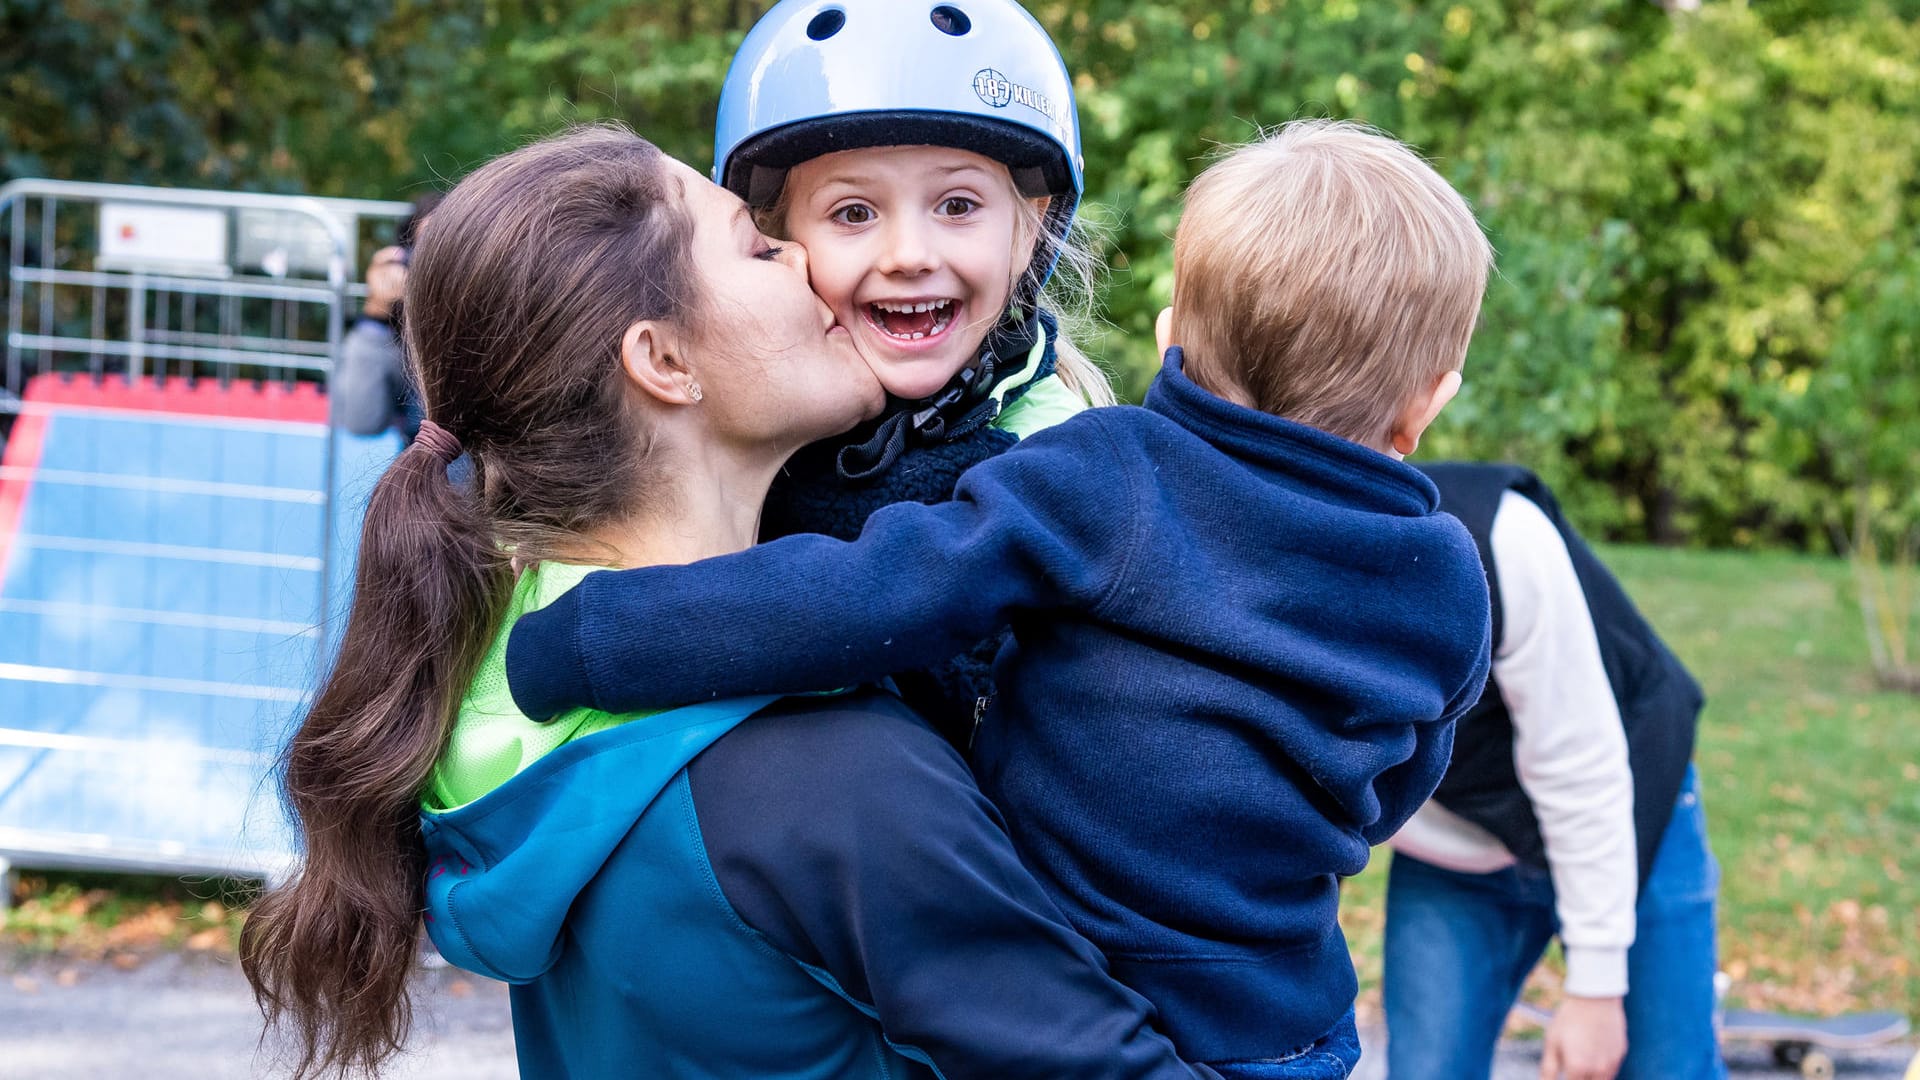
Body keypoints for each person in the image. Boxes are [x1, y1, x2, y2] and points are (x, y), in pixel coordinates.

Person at [505, 120, 1497, 1078]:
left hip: (1085, 974)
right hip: (1289, 1024)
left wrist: (594, 638)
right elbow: (1396, 779)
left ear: (1170, 339)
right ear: (1433, 398)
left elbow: (870, 594)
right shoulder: (1448, 576)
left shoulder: (1113, 476)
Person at [240, 125, 1215, 1080]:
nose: (806, 259)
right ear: (665, 361)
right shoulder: (828, 775)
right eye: (757, 246)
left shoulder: (516, 684)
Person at [712, 0, 1116, 741]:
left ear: (1028, 232)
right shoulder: (739, 442)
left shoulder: (1071, 469)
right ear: (781, 243)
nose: (908, 253)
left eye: (957, 204)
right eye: (854, 213)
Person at [1383, 462, 1724, 1080]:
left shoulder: (1500, 539)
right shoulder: (1247, 582)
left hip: (1624, 806)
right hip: (1454, 851)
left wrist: (1594, 989)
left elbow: (1580, 773)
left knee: (1667, 1068)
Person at [328, 193, 439, 442]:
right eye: (426, 250)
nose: (438, 266)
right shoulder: (402, 338)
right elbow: (362, 422)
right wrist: (376, 314)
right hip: (427, 474)